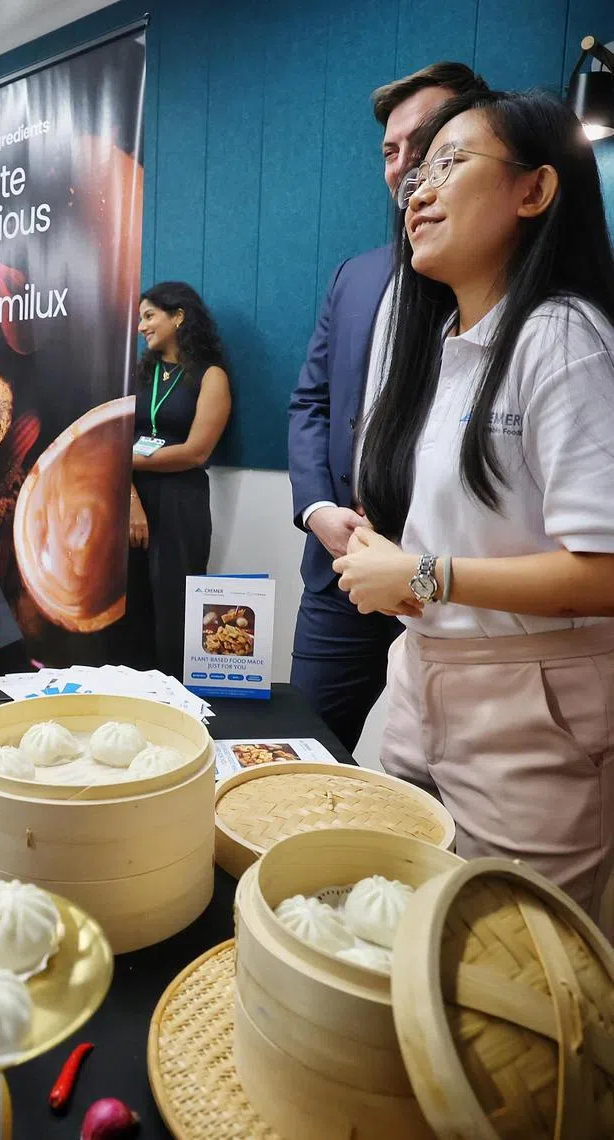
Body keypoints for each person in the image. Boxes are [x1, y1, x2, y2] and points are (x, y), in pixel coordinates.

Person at [335, 89, 614, 936]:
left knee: (509, 966)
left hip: (533, 712)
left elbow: (603, 570)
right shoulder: (447, 348)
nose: (417, 190)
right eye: (415, 171)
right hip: (423, 679)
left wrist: (424, 572)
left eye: (450, 162)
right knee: (393, 927)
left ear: (534, 191)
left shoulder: (563, 338)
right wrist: (383, 554)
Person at [287, 62, 489, 752]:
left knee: (450, 780)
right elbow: (310, 403)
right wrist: (320, 513)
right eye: (390, 151)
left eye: (428, 147)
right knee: (306, 753)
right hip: (342, 567)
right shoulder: (357, 275)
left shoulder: (512, 293)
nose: (405, 169)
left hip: (459, 582)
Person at [126, 281, 232, 676]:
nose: (141, 326)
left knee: (176, 612)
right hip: (131, 501)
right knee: (131, 610)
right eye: (140, 318)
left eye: (149, 315)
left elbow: (196, 452)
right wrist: (130, 498)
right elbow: (112, 443)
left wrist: (127, 462)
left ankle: (175, 709)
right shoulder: (138, 375)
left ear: (179, 316)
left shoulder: (210, 376)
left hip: (180, 501)